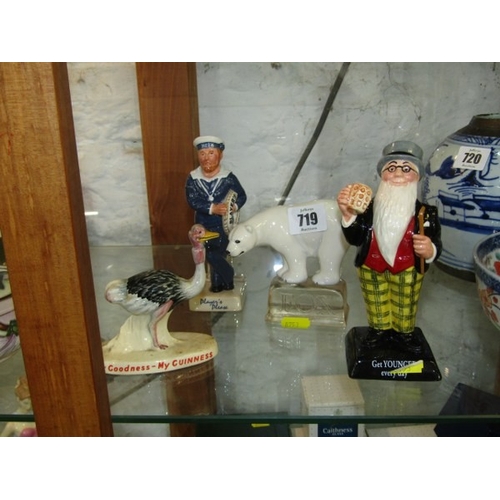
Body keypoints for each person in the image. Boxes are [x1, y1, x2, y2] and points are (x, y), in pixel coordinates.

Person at [337, 140, 442, 350]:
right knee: (375, 302)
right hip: (370, 265)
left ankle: (404, 334)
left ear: (417, 177)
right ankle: (379, 331)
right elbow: (355, 238)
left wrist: (430, 250)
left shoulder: (427, 213)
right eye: (391, 168)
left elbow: (436, 242)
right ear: (382, 175)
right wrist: (348, 216)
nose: (398, 174)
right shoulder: (367, 209)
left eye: (406, 169)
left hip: (408, 267)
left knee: (405, 304)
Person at [185, 136, 247, 293]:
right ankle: (227, 277)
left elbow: (242, 196)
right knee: (208, 253)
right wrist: (212, 208)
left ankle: (219, 284)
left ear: (220, 155)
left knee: (218, 252)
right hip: (203, 225)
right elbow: (192, 200)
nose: (206, 158)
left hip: (222, 225)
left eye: (211, 153)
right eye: (203, 153)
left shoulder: (228, 178)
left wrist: (233, 207)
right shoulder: (193, 178)